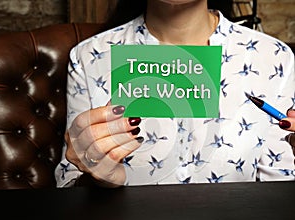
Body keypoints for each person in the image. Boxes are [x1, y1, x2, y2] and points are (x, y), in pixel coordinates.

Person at [55, 0, 295, 188]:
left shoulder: (273, 57)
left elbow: (281, 184)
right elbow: (69, 186)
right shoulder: (90, 56)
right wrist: (100, 177)